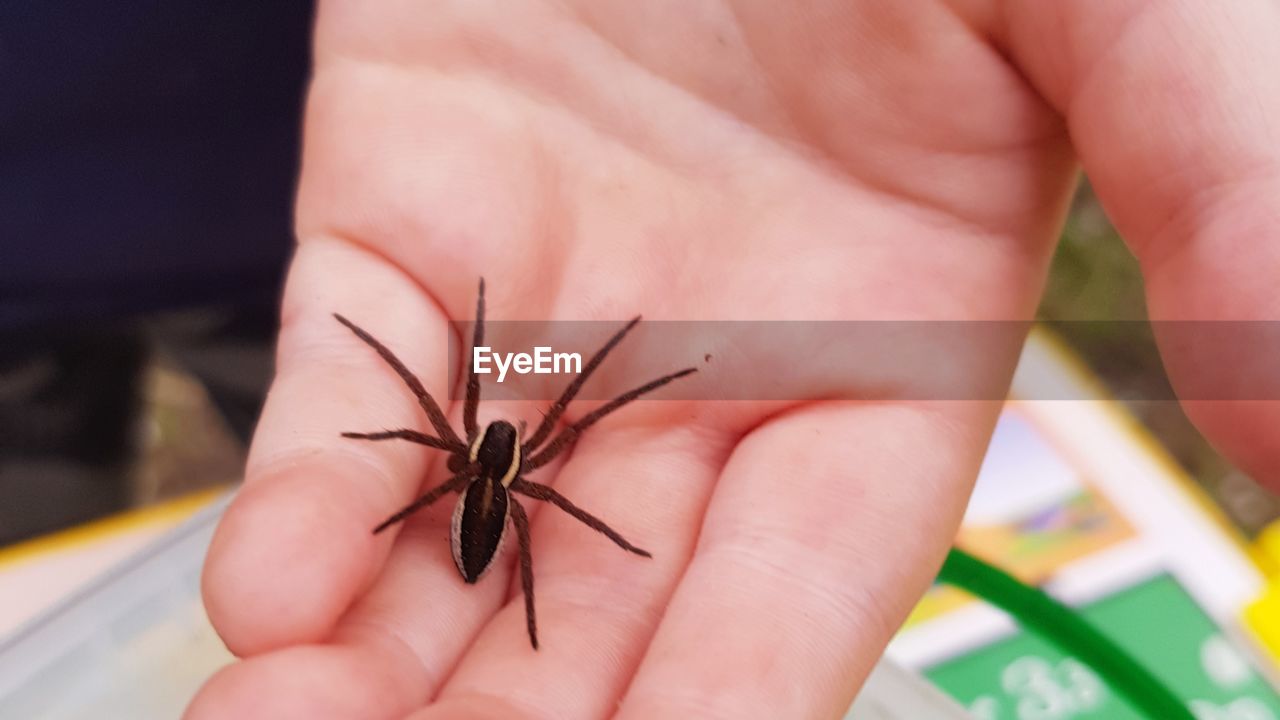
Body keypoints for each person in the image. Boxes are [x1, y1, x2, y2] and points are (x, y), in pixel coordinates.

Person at [184, 3, 1280, 718]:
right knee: (399, 460)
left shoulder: (486, 469)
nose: (495, 435)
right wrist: (398, 447)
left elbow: (451, 415)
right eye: (486, 441)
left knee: (460, 442)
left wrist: (609, 371)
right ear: (485, 455)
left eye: (490, 446)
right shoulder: (498, 475)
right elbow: (431, 410)